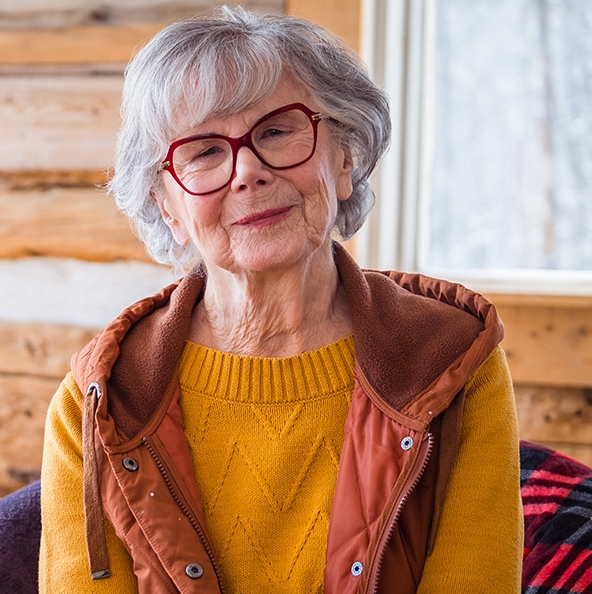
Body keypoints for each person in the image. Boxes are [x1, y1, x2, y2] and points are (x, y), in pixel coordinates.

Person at [38, 6, 522, 593]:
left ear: (343, 160)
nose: (247, 171)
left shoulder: (449, 361)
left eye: (276, 131)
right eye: (204, 152)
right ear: (169, 207)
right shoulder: (102, 401)